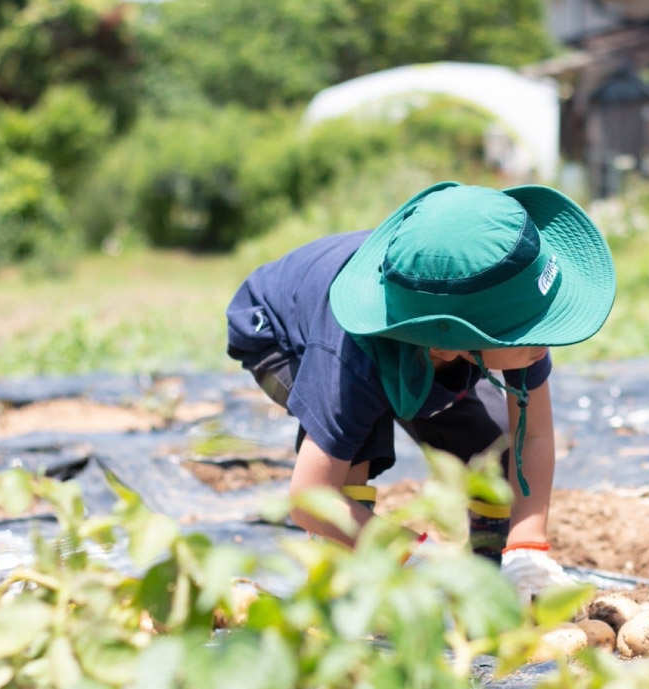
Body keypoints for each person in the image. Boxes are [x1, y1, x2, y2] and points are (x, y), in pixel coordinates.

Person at [225, 181, 616, 602]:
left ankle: (493, 576)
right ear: (450, 346)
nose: (545, 340)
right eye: (529, 333)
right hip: (278, 333)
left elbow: (532, 435)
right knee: (355, 447)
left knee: (497, 448)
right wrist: (419, 556)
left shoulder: (516, 322)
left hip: (422, 341)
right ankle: (345, 584)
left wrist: (527, 544)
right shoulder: (348, 361)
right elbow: (309, 498)